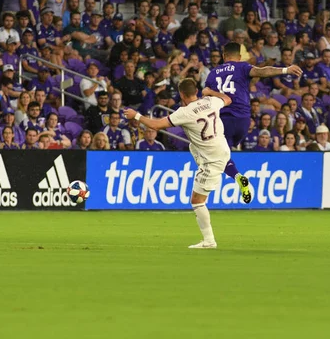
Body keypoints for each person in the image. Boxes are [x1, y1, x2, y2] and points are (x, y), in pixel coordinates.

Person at [124, 79, 233, 249]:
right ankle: (209, 239)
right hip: (223, 151)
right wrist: (211, 92)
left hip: (212, 160)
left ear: (181, 94)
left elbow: (156, 125)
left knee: (197, 201)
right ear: (196, 91)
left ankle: (209, 241)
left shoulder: (184, 112)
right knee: (192, 144)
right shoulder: (210, 101)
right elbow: (227, 99)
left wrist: (136, 116)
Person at [203, 42, 302, 199]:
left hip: (223, 120)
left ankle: (236, 177)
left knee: (218, 156)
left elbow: (207, 98)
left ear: (223, 56)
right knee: (225, 153)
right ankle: (236, 174)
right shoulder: (243, 67)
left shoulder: (213, 73)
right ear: (240, 56)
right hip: (243, 120)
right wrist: (285, 70)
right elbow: (262, 71)